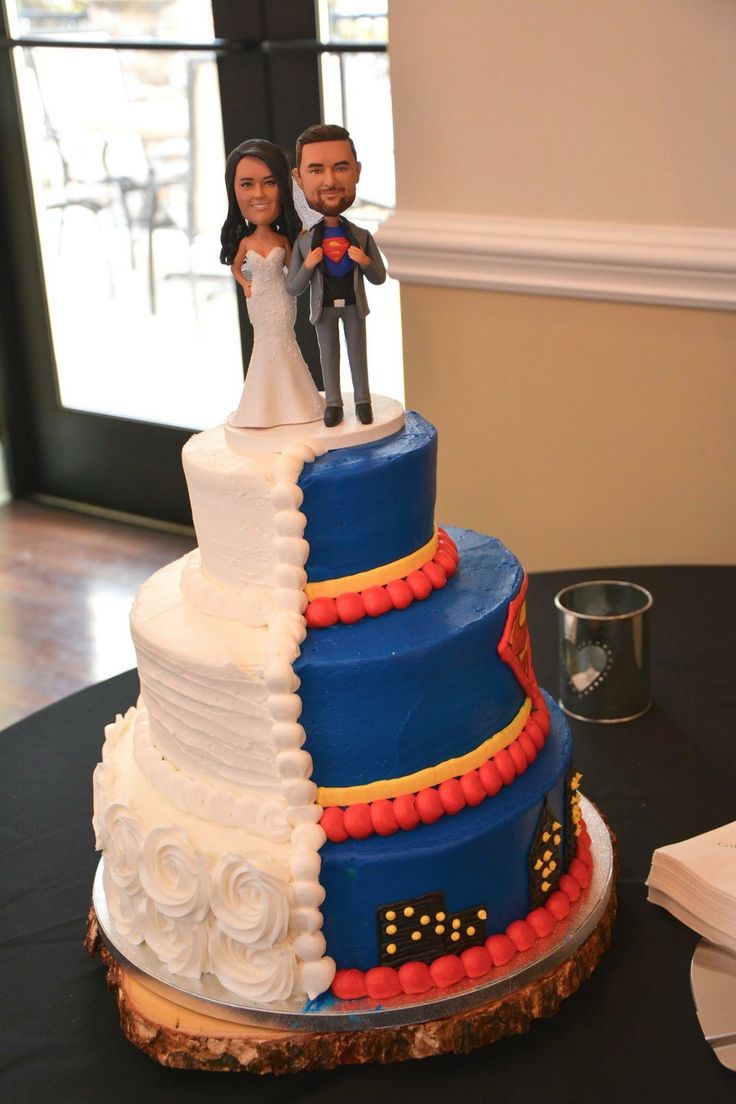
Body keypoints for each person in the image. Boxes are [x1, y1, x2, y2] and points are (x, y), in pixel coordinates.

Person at [286, 124, 386, 428]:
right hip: (324, 309)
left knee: (358, 353)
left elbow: (379, 277)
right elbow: (293, 286)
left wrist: (365, 260)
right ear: (299, 178)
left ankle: (362, 400)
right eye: (316, 170)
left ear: (356, 171)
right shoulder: (305, 241)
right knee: (328, 355)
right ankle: (333, 403)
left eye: (340, 167)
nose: (330, 180)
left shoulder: (361, 235)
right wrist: (308, 264)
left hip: (355, 307)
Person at [219, 138, 324, 428]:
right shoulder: (246, 242)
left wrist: (308, 260)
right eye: (247, 184)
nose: (259, 194)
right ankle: (260, 406)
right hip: (259, 300)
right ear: (234, 191)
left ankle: (295, 401)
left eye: (269, 182)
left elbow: (293, 270)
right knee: (263, 345)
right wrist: (246, 285)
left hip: (281, 299)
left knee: (284, 342)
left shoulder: (282, 240)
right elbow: (238, 267)